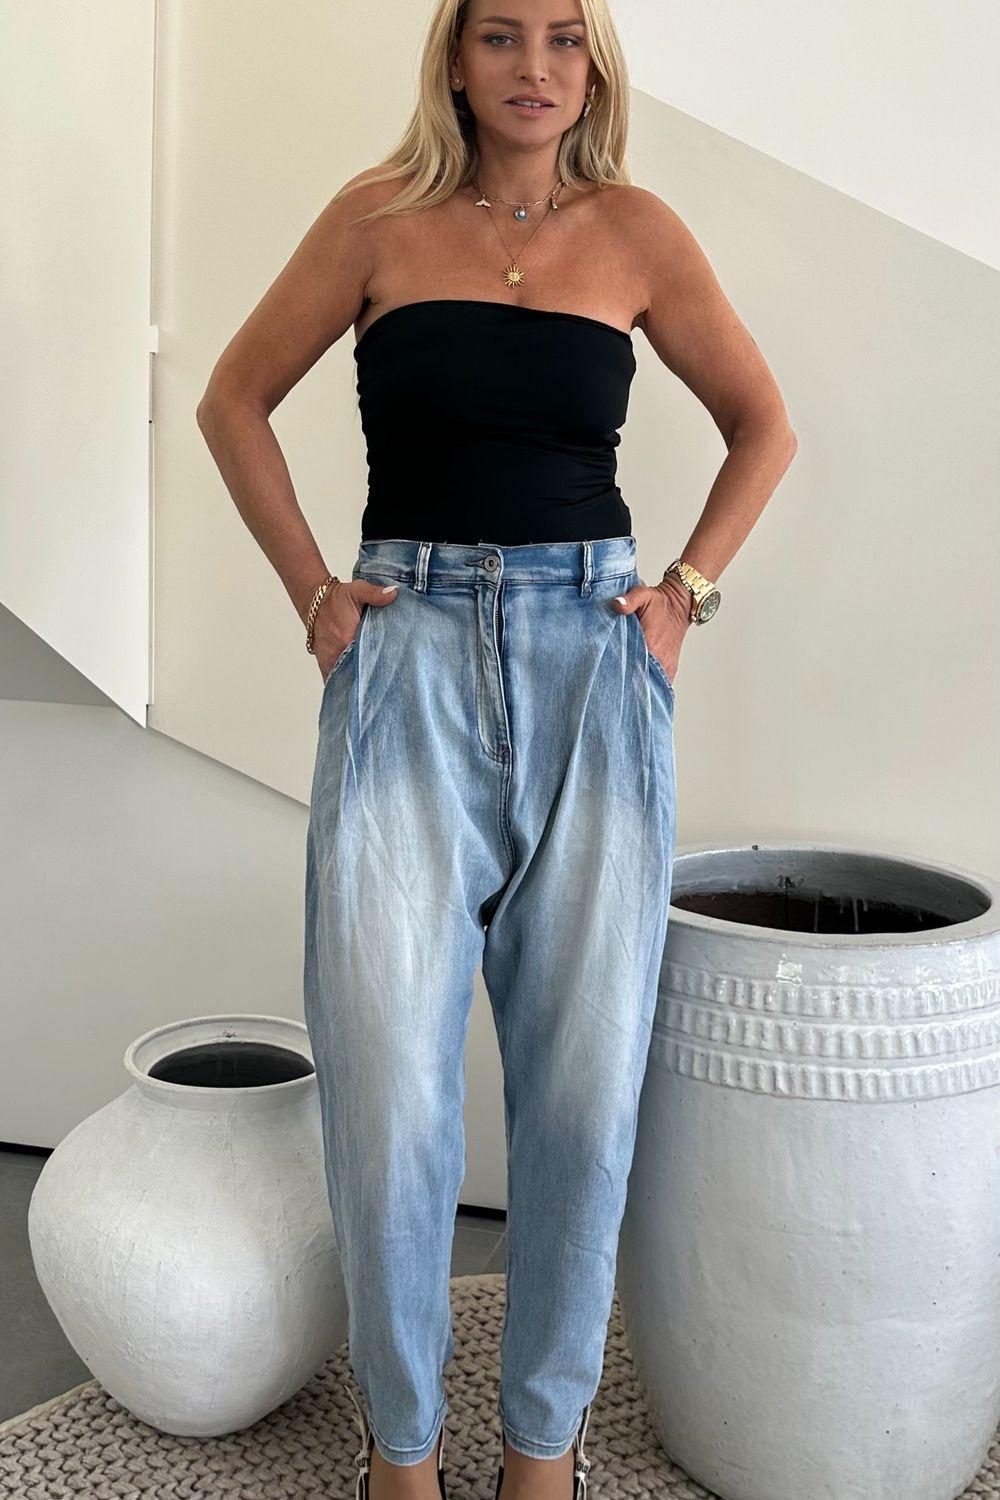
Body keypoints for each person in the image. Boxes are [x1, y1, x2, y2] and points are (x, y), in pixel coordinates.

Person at [196, 1, 797, 1496]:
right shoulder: (376, 219)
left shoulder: (637, 233)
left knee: (582, 1091)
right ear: (454, 60)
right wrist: (315, 596)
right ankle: (402, 1455)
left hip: (592, 658)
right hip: (404, 662)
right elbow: (232, 400)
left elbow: (764, 425)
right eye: (501, 36)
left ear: (595, 67)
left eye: (564, 39)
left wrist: (683, 598)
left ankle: (544, 1453)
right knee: (389, 1087)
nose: (535, 67)